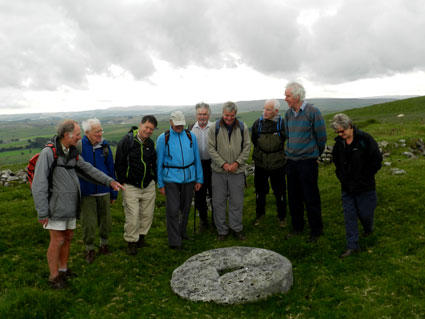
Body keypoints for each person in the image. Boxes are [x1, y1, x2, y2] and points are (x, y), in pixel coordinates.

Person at [32, 120, 124, 289]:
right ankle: (54, 277)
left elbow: (88, 169)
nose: (79, 138)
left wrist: (110, 181)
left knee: (67, 238)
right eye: (77, 134)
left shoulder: (72, 152)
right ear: (67, 135)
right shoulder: (48, 153)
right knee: (57, 240)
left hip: (71, 205)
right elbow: (39, 184)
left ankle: (64, 270)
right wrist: (42, 211)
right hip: (56, 206)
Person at [331, 113, 382, 258]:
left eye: (342, 131)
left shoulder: (365, 139)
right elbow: (337, 162)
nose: (340, 134)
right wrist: (341, 177)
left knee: (365, 213)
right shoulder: (339, 144)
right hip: (347, 188)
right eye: (337, 132)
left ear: (350, 126)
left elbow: (376, 160)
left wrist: (366, 176)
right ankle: (352, 246)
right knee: (349, 216)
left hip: (365, 187)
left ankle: (368, 227)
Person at [284, 82, 327, 242]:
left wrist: (315, 153)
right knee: (294, 197)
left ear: (297, 96)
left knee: (311, 196)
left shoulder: (313, 112)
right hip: (292, 162)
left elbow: (321, 136)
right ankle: (297, 227)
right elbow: (288, 135)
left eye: (287, 95)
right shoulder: (288, 114)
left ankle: (316, 230)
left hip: (307, 162)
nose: (285, 98)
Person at [157, 111, 203, 250]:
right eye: (177, 124)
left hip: (189, 178)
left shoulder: (190, 136)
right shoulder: (163, 138)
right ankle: (174, 241)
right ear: (170, 122)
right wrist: (160, 183)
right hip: (170, 178)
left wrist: (199, 179)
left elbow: (197, 158)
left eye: (181, 124)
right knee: (173, 210)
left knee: (186, 207)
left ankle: (182, 232)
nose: (179, 127)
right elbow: (159, 161)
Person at [115, 115, 158, 256]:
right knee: (132, 216)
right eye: (146, 127)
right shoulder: (127, 141)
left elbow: (153, 163)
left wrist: (155, 180)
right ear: (140, 125)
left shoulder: (150, 144)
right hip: (131, 185)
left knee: (147, 214)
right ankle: (131, 242)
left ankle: (141, 238)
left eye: (151, 129)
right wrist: (122, 181)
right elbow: (119, 163)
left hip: (148, 185)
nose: (148, 131)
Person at [208, 101, 251, 241]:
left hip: (237, 172)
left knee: (236, 202)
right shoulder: (214, 127)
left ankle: (236, 228)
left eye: (232, 116)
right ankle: (222, 231)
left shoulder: (242, 127)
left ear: (235, 114)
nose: (229, 118)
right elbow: (211, 149)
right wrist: (224, 164)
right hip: (218, 172)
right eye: (226, 115)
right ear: (222, 113)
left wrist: (237, 163)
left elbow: (247, 148)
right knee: (218, 202)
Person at [79, 118, 118, 263]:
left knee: (106, 221)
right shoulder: (80, 147)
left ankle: (104, 245)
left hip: (104, 190)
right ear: (87, 132)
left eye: (101, 130)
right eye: (97, 132)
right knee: (88, 223)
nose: (100, 134)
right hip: (87, 192)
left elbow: (110, 170)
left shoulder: (105, 147)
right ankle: (89, 249)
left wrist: (114, 193)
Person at [251, 99, 287, 227]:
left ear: (276, 111)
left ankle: (282, 217)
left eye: (268, 109)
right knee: (260, 191)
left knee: (280, 191)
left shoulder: (282, 124)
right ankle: (260, 215)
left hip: (278, 163)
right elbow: (254, 140)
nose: (265, 112)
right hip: (261, 163)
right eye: (264, 109)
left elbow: (285, 139)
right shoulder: (257, 124)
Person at [190, 102, 214, 231]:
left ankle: (216, 221)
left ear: (209, 114)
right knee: (200, 195)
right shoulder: (190, 129)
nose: (202, 117)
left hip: (213, 165)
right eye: (200, 114)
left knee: (215, 193)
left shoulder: (215, 127)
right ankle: (203, 221)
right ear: (196, 115)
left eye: (205, 114)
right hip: (198, 166)